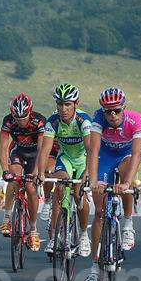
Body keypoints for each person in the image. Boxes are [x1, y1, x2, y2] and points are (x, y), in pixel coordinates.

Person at [86, 87, 141, 281]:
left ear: (124, 108)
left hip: (126, 156)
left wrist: (127, 184)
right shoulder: (98, 119)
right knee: (100, 212)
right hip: (105, 157)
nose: (112, 115)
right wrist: (93, 180)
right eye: (108, 111)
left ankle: (128, 224)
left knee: (128, 176)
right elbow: (93, 150)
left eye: (117, 110)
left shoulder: (134, 119)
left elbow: (137, 154)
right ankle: (95, 268)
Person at [36, 83, 92, 257]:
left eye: (67, 104)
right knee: (60, 187)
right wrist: (40, 174)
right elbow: (45, 150)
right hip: (65, 158)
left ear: (76, 104)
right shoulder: (52, 121)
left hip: (83, 160)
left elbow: (91, 150)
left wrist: (88, 174)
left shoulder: (84, 120)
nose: (63, 108)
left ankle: (83, 235)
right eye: (60, 104)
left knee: (78, 194)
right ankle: (53, 237)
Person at [0, 93, 46, 250]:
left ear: (30, 112)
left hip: (34, 156)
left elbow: (41, 149)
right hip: (17, 152)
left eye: (23, 118)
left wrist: (37, 171)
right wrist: (5, 170)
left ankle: (33, 229)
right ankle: (7, 218)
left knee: (30, 187)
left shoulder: (39, 121)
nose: (20, 121)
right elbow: (3, 148)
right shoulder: (8, 121)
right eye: (17, 118)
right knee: (13, 178)